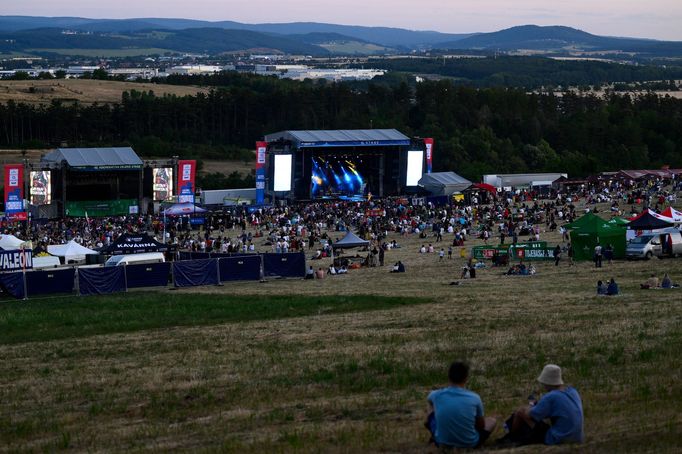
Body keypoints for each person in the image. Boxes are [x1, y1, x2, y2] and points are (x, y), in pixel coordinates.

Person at [498, 364, 584, 446]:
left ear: (547, 382)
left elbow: (531, 415)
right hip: (577, 438)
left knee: (520, 412)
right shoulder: (573, 391)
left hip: (558, 438)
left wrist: (530, 405)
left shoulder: (551, 396)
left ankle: (511, 437)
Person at [426, 361, 497, 449]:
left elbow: (429, 398)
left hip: (442, 443)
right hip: (469, 444)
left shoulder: (437, 395)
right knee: (492, 421)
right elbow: (481, 426)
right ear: (466, 378)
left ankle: (436, 430)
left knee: (430, 404)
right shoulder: (475, 397)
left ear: (449, 377)